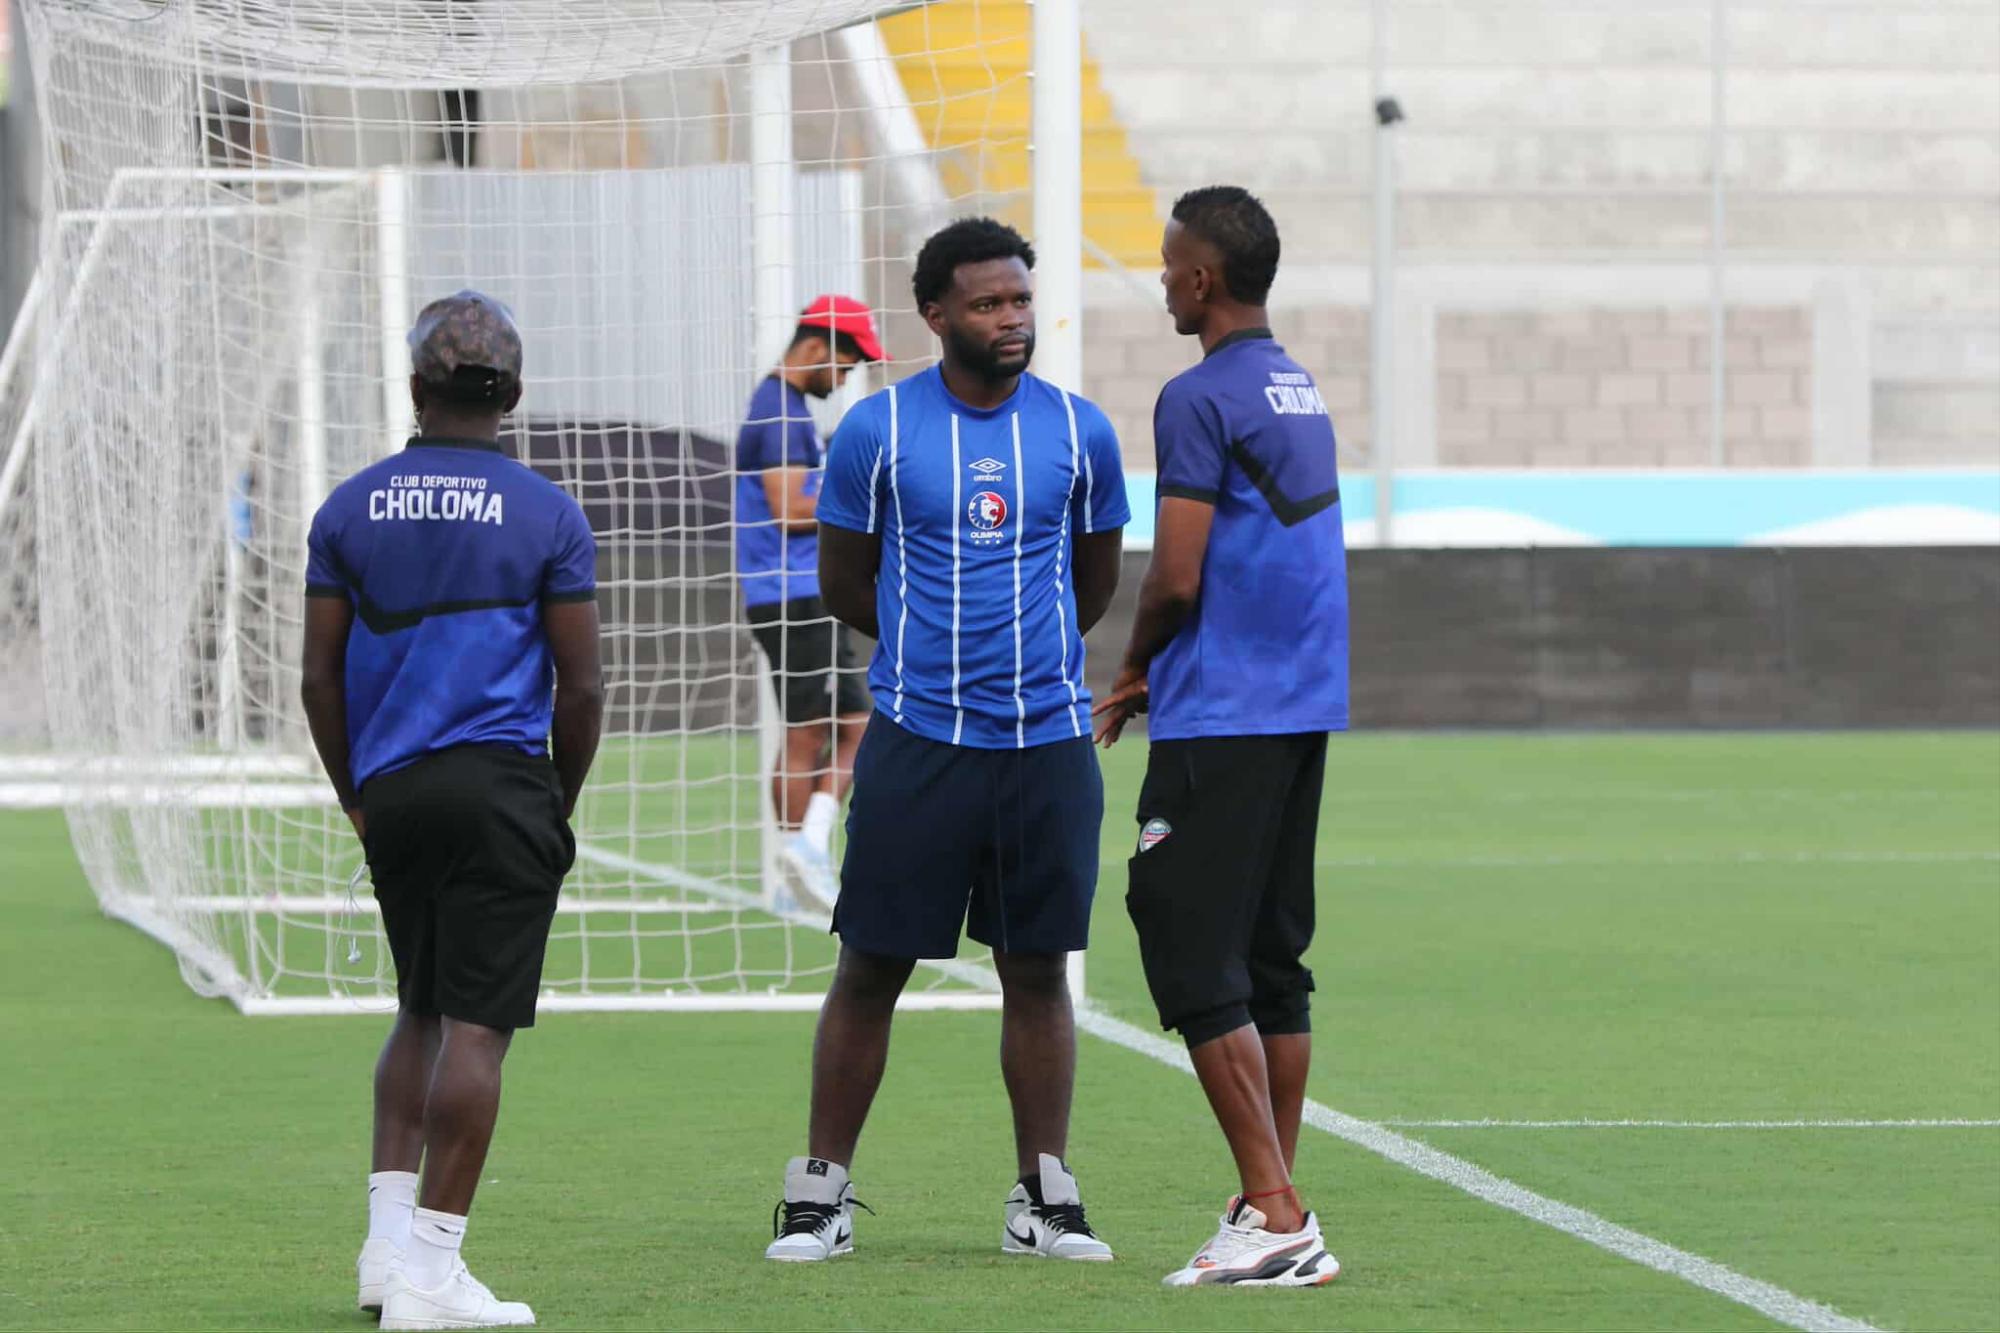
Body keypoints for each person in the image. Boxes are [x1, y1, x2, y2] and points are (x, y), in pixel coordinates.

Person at [764, 218, 1128, 1264]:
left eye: (1019, 300)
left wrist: (1023, 657)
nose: (1010, 320)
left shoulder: (1078, 430)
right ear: (935, 315)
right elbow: (843, 581)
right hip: (919, 739)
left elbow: (1093, 580)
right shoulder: (876, 432)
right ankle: (818, 1192)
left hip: (1046, 743)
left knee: (1035, 968)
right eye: (986, 304)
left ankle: (1042, 1196)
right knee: (870, 965)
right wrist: (932, 652)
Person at [301, 290, 604, 1328]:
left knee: (419, 1007)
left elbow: (317, 679)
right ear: (512, 395)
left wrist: (358, 800)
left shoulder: (347, 508)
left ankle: (385, 1254)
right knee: (477, 1028)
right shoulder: (547, 513)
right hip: (501, 787)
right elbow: (584, 685)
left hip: (393, 793)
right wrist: (554, 802)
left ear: (417, 387)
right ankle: (432, 1273)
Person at [1094, 186, 1347, 1288]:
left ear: (1201, 278)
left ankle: (1277, 1210)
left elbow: (1179, 569)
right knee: (1268, 959)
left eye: (1167, 263)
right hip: (1299, 701)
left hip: (1226, 706)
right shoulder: (1297, 389)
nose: (1160, 278)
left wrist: (1134, 664)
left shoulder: (1196, 395)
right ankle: (1265, 1197)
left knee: (1185, 938)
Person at [735, 295, 883, 908]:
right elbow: (790, 509)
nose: (846, 378)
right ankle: (804, 853)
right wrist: (868, 505)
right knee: (839, 729)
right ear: (818, 348)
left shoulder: (784, 408)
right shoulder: (781, 414)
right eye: (846, 365)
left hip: (793, 594)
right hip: (792, 595)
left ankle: (800, 866)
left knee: (827, 729)